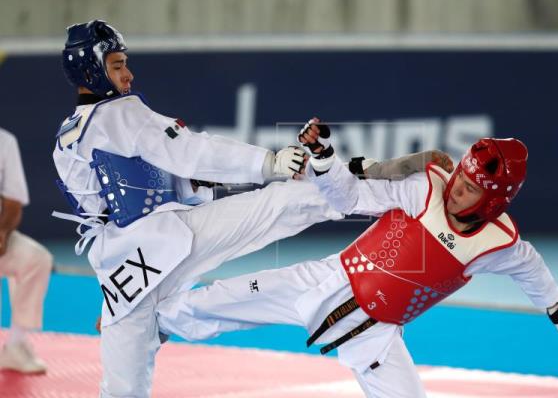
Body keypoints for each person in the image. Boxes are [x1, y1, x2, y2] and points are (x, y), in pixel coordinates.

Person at [53, 20, 450, 397]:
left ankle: (367, 177)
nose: (129, 75)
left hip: (127, 269)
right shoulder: (120, 113)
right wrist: (267, 163)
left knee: (124, 389)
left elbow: (117, 207)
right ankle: (378, 179)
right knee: (283, 204)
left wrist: (113, 297)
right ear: (92, 70)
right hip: (167, 243)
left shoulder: (67, 137)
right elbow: (190, 150)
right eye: (118, 65)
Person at [155, 121, 558, 398]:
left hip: (377, 337)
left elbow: (529, 266)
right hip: (327, 281)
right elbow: (350, 196)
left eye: (473, 188)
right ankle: (151, 321)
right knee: (221, 299)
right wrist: (327, 161)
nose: (457, 189)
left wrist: (557, 308)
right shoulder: (424, 188)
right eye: (461, 178)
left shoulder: (496, 243)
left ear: (495, 201)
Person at [0, 127, 53, 374]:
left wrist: (3, 233)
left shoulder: (5, 141)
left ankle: (16, 344)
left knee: (37, 259)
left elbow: (13, 201)